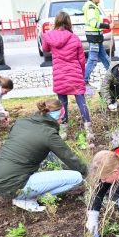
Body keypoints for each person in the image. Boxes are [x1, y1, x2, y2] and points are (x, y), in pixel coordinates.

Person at [0, 99, 88, 212]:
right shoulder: (49, 134)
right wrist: (90, 173)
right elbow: (70, 158)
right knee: (76, 178)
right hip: (15, 185)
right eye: (62, 118)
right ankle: (27, 197)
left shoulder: (21, 123)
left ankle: (21, 194)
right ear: (57, 117)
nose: (62, 121)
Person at [42, 11, 94, 141]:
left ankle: (63, 132)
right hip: (75, 73)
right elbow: (82, 60)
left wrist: (50, 31)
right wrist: (81, 76)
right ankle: (89, 132)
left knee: (62, 103)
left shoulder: (51, 36)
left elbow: (45, 49)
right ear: (69, 22)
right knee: (81, 103)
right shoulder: (74, 38)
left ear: (56, 21)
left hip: (60, 75)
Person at [83, 0, 114, 88]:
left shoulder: (94, 7)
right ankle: (84, 81)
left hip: (97, 37)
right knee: (92, 59)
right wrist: (108, 26)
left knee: (105, 58)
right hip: (94, 38)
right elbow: (94, 24)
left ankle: (113, 77)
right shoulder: (91, 8)